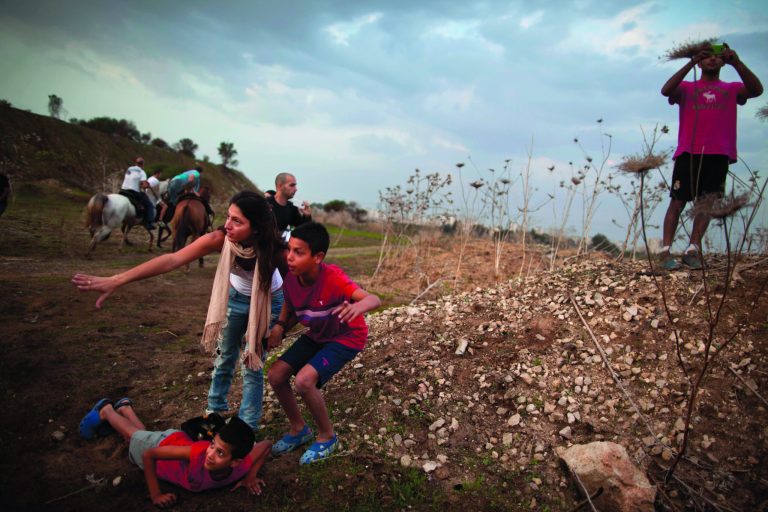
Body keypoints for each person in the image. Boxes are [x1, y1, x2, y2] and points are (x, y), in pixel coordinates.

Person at [73, 191, 285, 431]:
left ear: (256, 228)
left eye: (237, 221)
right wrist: (117, 280)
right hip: (235, 297)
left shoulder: (276, 252)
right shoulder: (220, 238)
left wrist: (281, 326)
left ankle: (247, 427)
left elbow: (298, 291)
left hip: (268, 300)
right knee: (225, 355)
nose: (227, 225)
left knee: (252, 362)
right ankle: (214, 413)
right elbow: (172, 260)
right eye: (228, 216)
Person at [266, 222, 381, 464]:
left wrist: (358, 306)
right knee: (276, 375)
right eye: (289, 249)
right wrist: (280, 326)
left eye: (299, 252)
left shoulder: (334, 278)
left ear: (318, 257)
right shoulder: (290, 278)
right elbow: (291, 304)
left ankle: (327, 437)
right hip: (318, 334)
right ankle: (299, 429)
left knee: (304, 381)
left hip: (346, 337)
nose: (290, 257)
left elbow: (374, 299)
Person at [659, 43, 763, 270]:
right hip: (689, 152)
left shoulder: (731, 89)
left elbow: (756, 90)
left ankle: (692, 249)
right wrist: (691, 62)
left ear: (724, 61)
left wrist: (737, 62)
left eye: (717, 57)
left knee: (706, 203)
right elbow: (666, 90)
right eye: (708, 56)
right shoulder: (687, 88)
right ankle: (665, 251)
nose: (712, 60)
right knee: (677, 200)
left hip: (718, 153)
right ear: (701, 59)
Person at [78, 397, 270, 508]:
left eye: (220, 453)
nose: (210, 454)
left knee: (142, 437)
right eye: (212, 445)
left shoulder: (241, 466)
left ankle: (125, 409)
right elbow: (149, 455)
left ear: (235, 462)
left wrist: (250, 477)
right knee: (133, 437)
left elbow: (266, 444)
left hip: (172, 445)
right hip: (166, 446)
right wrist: (156, 495)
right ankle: (107, 411)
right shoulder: (198, 454)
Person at [265, 173, 312, 239]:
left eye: (295, 186)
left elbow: (302, 231)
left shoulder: (292, 208)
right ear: (280, 186)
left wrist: (307, 216)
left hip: (284, 248)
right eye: (292, 185)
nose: (296, 189)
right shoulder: (265, 204)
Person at [121, 157, 156, 230]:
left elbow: (132, 178)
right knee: (149, 204)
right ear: (143, 164)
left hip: (123, 189)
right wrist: (147, 186)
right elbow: (144, 186)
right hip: (133, 192)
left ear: (136, 163)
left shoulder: (129, 168)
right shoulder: (142, 172)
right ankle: (149, 222)